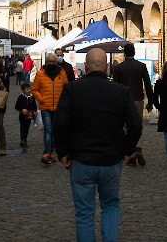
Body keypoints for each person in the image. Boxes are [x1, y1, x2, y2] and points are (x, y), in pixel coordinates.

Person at [54, 48, 142, 242]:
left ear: (86, 66)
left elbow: (60, 123)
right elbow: (135, 125)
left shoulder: (72, 89)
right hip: (111, 160)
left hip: (81, 159)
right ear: (107, 67)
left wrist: (62, 152)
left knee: (84, 213)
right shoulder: (121, 91)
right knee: (110, 205)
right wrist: (127, 151)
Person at [112, 43, 154, 167]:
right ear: (134, 52)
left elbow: (115, 86)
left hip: (124, 100)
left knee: (126, 126)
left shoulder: (119, 68)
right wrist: (150, 102)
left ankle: (130, 155)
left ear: (124, 53)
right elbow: (147, 84)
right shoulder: (141, 66)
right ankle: (138, 149)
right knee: (138, 124)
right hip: (138, 99)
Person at [32, 52, 69, 164]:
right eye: (50, 61)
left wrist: (63, 101)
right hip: (45, 106)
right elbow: (34, 90)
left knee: (55, 130)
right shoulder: (40, 74)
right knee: (48, 130)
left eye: (54, 61)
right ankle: (48, 152)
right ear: (46, 62)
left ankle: (53, 151)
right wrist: (42, 99)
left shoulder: (61, 73)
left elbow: (66, 88)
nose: (52, 63)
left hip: (58, 107)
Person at [15, 82, 37, 148]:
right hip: (22, 115)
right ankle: (22, 140)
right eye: (27, 89)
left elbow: (34, 105)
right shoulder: (21, 97)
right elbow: (16, 106)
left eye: (29, 89)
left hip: (29, 115)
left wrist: (34, 111)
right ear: (23, 90)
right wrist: (21, 109)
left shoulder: (32, 98)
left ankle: (25, 139)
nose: (29, 91)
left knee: (27, 128)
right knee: (23, 127)